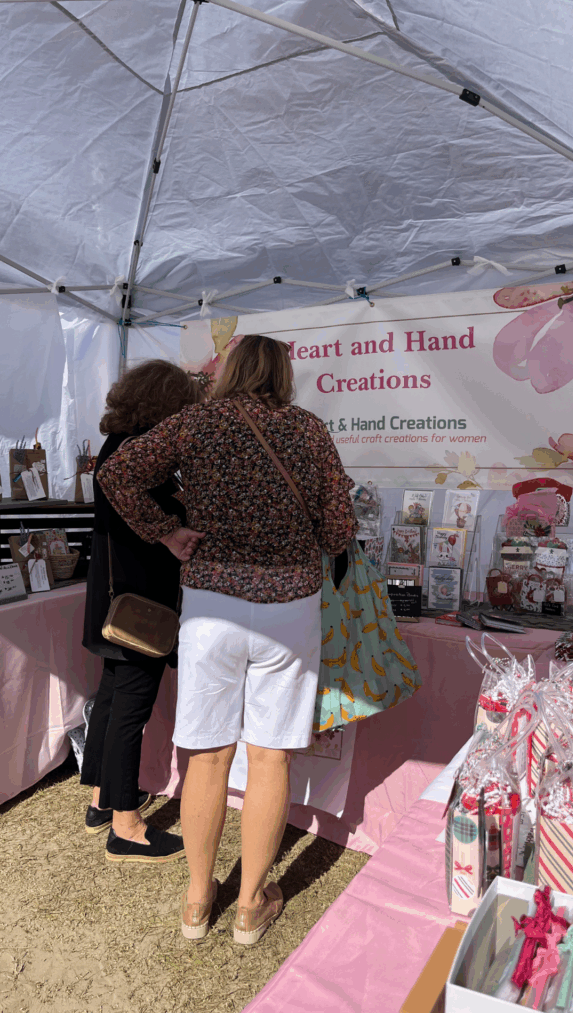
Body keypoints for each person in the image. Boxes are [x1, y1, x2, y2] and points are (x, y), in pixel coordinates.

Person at [97, 335, 357, 943]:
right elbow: (337, 529)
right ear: (283, 374)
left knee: (207, 755)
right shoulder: (309, 430)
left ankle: (197, 902)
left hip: (212, 607)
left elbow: (117, 473)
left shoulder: (195, 422)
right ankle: (248, 906)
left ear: (230, 370)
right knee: (270, 757)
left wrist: (167, 531)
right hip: (290, 608)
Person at [81, 359, 205, 863]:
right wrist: (172, 529)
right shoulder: (135, 454)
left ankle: (101, 800)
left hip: (118, 598)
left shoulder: (118, 445)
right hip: (141, 602)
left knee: (113, 699)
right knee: (129, 707)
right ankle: (126, 826)